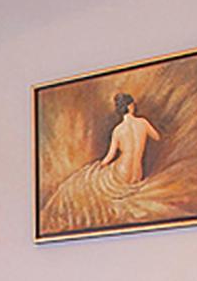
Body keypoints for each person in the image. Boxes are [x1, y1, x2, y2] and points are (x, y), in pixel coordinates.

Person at [40, 93, 164, 233]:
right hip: (137, 174)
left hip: (121, 173)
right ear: (130, 106)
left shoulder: (118, 130)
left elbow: (110, 156)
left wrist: (98, 166)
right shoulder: (143, 123)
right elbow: (157, 137)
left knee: (85, 180)